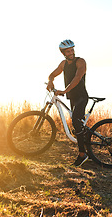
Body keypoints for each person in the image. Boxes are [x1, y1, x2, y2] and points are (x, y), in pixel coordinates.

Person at [47, 39, 89, 167]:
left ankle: (83, 154)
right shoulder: (63, 64)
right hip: (72, 97)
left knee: (76, 121)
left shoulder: (80, 61)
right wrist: (50, 81)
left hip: (81, 96)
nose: (71, 52)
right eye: (68, 51)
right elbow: (53, 74)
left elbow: (77, 78)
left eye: (72, 50)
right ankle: (89, 149)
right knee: (78, 125)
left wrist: (64, 90)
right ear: (63, 53)